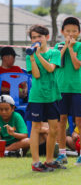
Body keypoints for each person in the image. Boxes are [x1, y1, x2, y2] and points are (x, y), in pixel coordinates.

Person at [25, 24, 63, 172]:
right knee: (36, 127)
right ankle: (35, 163)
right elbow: (36, 75)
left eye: (39, 37)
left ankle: (49, 160)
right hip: (37, 97)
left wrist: (39, 55)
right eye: (33, 37)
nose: (36, 40)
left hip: (52, 96)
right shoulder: (31, 55)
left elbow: (50, 68)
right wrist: (33, 58)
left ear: (46, 37)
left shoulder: (54, 53)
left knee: (53, 129)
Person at [54, 17, 81, 166]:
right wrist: (64, 47)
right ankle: (62, 154)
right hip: (60, 89)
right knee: (61, 121)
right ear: (62, 32)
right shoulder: (57, 46)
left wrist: (70, 48)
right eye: (67, 31)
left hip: (76, 89)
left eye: (74, 31)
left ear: (79, 32)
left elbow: (76, 65)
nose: (71, 34)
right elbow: (55, 63)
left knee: (80, 121)